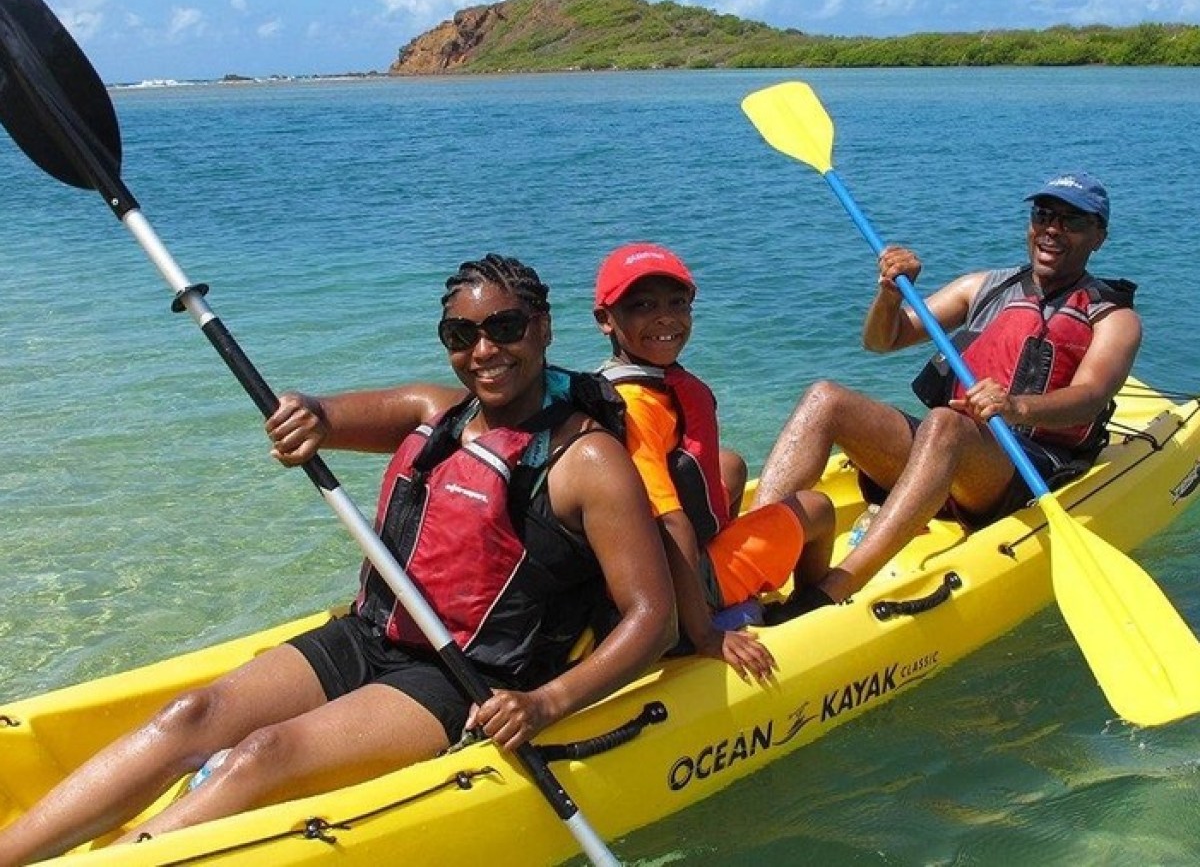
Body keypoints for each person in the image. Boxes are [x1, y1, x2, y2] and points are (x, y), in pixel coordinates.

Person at [0, 253, 676, 866]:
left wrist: (542, 703)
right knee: (190, 716)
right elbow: (324, 415)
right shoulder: (434, 414)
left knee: (261, 757)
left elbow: (651, 619)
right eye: (461, 337)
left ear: (544, 328)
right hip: (370, 634)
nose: (484, 351)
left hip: (461, 678)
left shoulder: (587, 461)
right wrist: (306, 415)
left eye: (505, 327)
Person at [753, 171, 1141, 613]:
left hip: (1025, 467)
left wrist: (1015, 407)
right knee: (825, 398)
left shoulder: (1112, 318)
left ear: (1099, 237)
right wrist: (889, 294)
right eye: (1043, 215)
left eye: (1072, 221)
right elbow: (883, 339)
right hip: (951, 452)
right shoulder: (985, 286)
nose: (1052, 229)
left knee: (945, 424)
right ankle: (747, 562)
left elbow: (1091, 395)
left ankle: (827, 594)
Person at [592, 242, 836, 680]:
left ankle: (725, 582)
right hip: (667, 578)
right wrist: (706, 636)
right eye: (643, 305)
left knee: (730, 464)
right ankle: (804, 610)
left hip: (646, 559)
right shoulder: (636, 406)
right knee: (816, 508)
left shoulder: (620, 384)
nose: (665, 317)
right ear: (606, 320)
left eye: (677, 303)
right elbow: (672, 525)